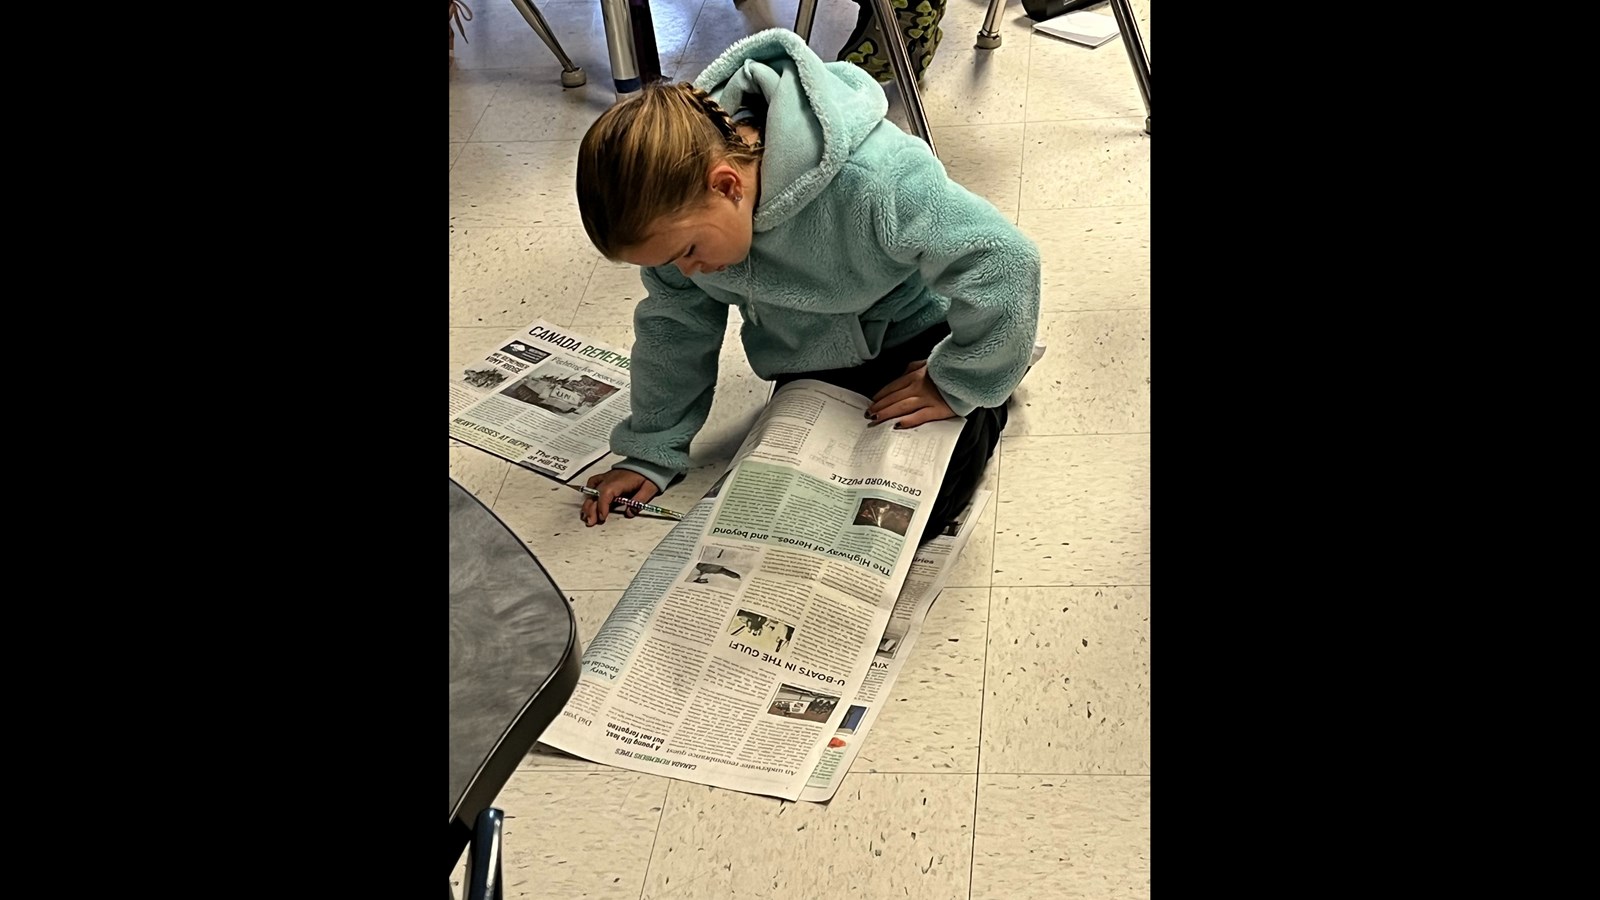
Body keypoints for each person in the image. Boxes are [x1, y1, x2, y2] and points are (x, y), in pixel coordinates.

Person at [573, 28, 1040, 545]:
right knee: (795, 515)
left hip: (918, 340)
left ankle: (994, 384)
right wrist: (652, 449)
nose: (684, 272)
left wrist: (960, 381)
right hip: (810, 364)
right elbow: (673, 330)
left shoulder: (874, 179)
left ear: (727, 185)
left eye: (687, 253)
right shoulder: (676, 225)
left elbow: (1004, 257)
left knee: (915, 513)